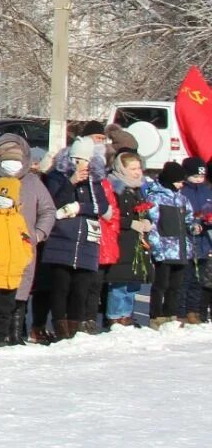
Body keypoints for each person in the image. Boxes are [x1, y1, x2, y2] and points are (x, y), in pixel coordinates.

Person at [0, 134, 54, 346]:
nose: (12, 164)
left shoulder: (33, 182)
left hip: (21, 249)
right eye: (6, 158)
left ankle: (14, 332)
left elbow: (48, 210)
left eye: (17, 159)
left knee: (19, 289)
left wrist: (38, 234)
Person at [40, 138, 107, 341]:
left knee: (81, 288)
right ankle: (60, 326)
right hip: (62, 239)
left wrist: (80, 208)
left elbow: (101, 207)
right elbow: (53, 202)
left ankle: (74, 326)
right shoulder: (57, 177)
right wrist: (71, 183)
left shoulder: (95, 182)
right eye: (76, 159)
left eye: (84, 160)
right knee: (61, 286)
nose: (81, 164)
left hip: (86, 242)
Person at [0, 176, 34, 348]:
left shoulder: (18, 218)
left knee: (6, 309)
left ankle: (2, 337)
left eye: (9, 195)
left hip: (12, 272)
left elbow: (26, 241)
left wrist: (24, 258)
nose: (5, 199)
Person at [143, 161, 192, 328]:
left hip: (181, 250)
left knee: (176, 286)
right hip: (164, 250)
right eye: (179, 181)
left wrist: (195, 226)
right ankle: (156, 315)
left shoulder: (182, 199)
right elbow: (153, 225)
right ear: (171, 180)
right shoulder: (155, 197)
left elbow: (189, 220)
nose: (181, 184)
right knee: (161, 285)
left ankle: (171, 313)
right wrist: (157, 249)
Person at [102, 150, 148, 329]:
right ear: (122, 169)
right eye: (133, 168)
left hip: (136, 241)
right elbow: (112, 215)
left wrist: (146, 221)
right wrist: (131, 223)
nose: (137, 172)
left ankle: (127, 314)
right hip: (121, 240)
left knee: (133, 281)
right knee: (120, 281)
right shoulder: (116, 187)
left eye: (139, 168)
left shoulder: (137, 189)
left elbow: (144, 210)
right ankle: (114, 315)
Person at [179, 158, 212, 324]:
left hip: (204, 242)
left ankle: (194, 310)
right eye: (195, 176)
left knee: (198, 280)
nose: (199, 179)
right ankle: (181, 311)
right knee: (185, 279)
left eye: (201, 176)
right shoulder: (183, 191)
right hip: (187, 241)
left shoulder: (207, 191)